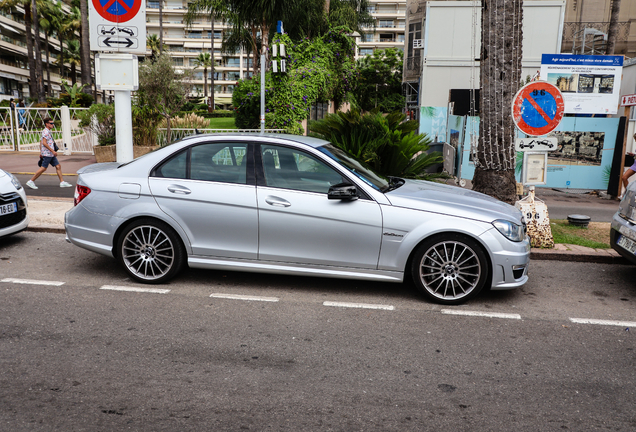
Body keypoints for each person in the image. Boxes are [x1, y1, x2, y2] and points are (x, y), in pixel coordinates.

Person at [25, 117, 73, 189]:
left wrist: (41, 152)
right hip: (48, 154)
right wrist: (53, 151)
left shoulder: (47, 131)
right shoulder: (46, 132)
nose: (52, 124)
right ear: (46, 124)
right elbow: (44, 143)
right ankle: (31, 181)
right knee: (43, 168)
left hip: (50, 154)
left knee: (58, 166)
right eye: (51, 123)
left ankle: (62, 182)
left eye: (52, 123)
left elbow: (41, 142)